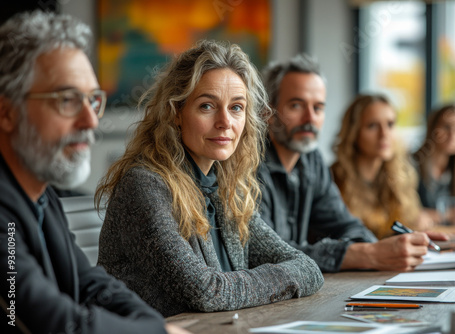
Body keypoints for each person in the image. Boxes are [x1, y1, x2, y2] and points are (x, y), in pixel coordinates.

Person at [96, 40, 324, 317]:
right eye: (207, 106)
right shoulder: (145, 185)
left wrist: (257, 282)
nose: (225, 122)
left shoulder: (227, 188)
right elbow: (207, 292)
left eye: (236, 107)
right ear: (176, 112)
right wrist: (280, 278)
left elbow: (308, 268)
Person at [0, 11, 188, 334]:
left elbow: (91, 285)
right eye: (67, 100)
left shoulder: (41, 195)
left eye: (92, 100)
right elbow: (55, 323)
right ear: (6, 113)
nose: (91, 122)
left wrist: (152, 324)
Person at [258, 54, 446, 273]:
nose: (310, 119)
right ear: (268, 112)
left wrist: (384, 247)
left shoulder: (311, 161)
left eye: (318, 108)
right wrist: (369, 254)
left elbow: (344, 224)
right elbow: (267, 254)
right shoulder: (249, 165)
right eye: (296, 106)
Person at [331, 94, 433, 239]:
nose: (384, 134)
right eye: (372, 126)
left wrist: (420, 223)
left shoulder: (401, 177)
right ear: (354, 132)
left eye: (390, 124)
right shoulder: (333, 180)